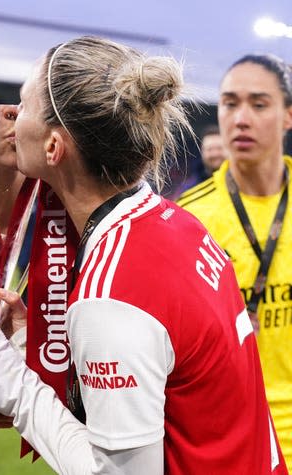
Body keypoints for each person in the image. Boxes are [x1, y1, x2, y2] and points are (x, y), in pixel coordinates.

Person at [0, 36, 287, 474]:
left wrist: (12, 385)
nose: (11, 115)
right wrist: (39, 350)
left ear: (53, 148)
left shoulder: (113, 293)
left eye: (23, 104)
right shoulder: (176, 222)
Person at [177, 53, 292, 468]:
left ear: (287, 116)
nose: (241, 118)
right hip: (230, 443)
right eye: (229, 103)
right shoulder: (186, 220)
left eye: (259, 104)